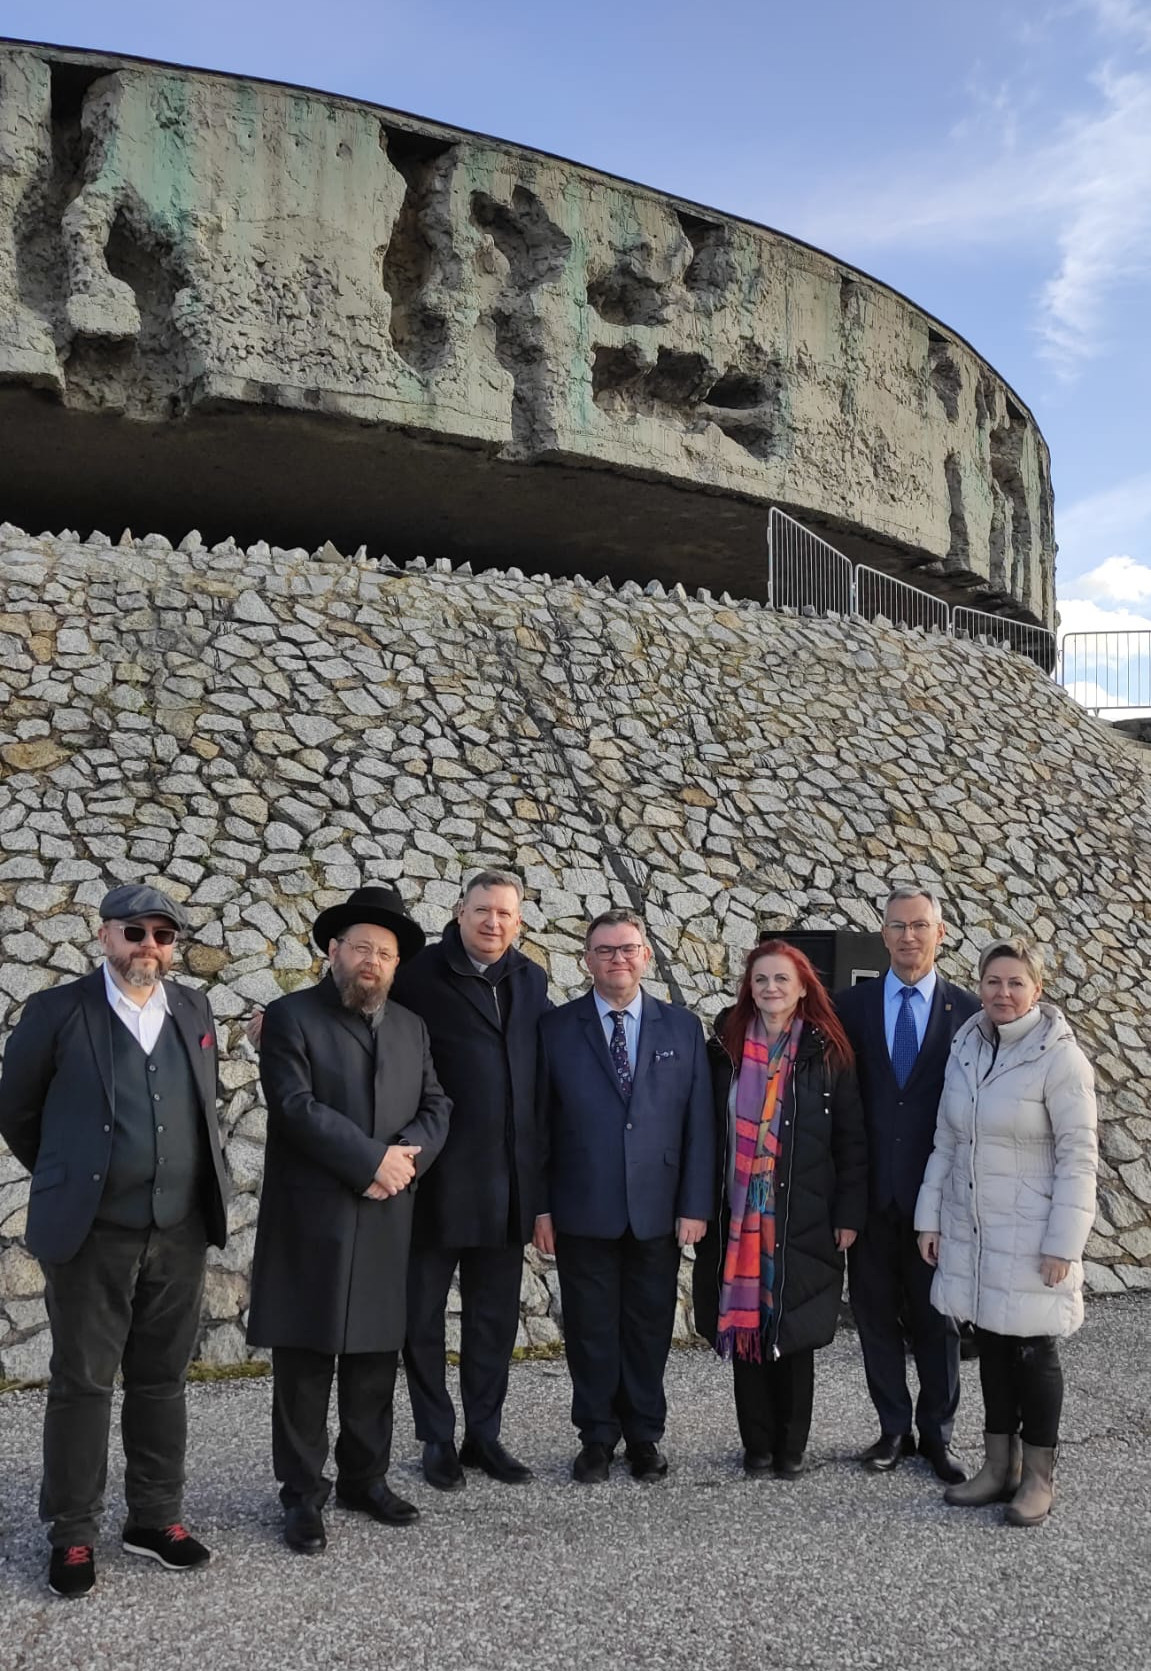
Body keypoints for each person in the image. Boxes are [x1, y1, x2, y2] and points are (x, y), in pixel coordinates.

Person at [0, 884, 229, 1599]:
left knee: (162, 1379)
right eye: (136, 931)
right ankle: (72, 1530)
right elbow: (18, 1110)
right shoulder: (57, 1011)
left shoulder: (192, 1008)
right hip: (94, 1229)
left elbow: (200, 1099)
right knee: (83, 1382)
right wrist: (73, 1176)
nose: (149, 947)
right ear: (104, 936)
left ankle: (154, 1517)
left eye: (164, 934)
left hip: (179, 1228)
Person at [247, 885, 451, 1553]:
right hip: (313, 1218)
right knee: (304, 1364)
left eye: (385, 953)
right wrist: (372, 1161)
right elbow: (294, 1106)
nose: (372, 960)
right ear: (333, 950)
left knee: (372, 1358)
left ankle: (365, 1477)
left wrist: (405, 1162)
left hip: (388, 1216)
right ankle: (302, 1494)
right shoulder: (289, 1016)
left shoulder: (409, 1026)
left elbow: (435, 1103)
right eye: (361, 946)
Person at [916, 938, 1097, 1525]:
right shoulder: (967, 1044)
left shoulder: (1059, 1058)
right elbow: (949, 1139)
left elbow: (1079, 1156)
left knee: (1035, 1349)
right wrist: (930, 1217)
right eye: (993, 982)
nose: (1002, 993)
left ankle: (1038, 1478)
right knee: (991, 1344)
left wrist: (1063, 1244)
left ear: (1037, 990)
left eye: (1016, 983)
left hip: (1034, 1231)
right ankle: (999, 1468)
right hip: (974, 1225)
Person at [533, 908, 713, 1484]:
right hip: (582, 1205)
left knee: (648, 1326)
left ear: (646, 956)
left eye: (628, 948)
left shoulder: (681, 1028)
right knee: (588, 1329)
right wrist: (540, 1206)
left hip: (658, 1210)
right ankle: (595, 1436)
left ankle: (644, 1435)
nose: (618, 959)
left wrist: (695, 1204)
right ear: (587, 959)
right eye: (605, 950)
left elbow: (699, 1124)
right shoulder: (556, 1028)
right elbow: (539, 1125)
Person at [392, 870, 550, 1491]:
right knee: (421, 1318)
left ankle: (484, 1433)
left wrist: (538, 1190)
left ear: (519, 922)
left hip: (506, 1182)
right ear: (458, 911)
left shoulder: (530, 979)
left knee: (493, 1319)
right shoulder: (417, 975)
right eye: (482, 910)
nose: (493, 922)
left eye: (505, 914)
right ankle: (436, 1436)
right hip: (432, 1179)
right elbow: (354, 1008)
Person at [693, 941, 867, 1477]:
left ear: (803, 986)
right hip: (736, 1213)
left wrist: (848, 1213)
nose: (771, 989)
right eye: (761, 979)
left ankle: (791, 1447)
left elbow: (851, 1140)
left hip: (804, 1212)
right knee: (746, 1329)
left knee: (794, 1332)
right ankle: (757, 1444)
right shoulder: (722, 1048)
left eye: (782, 980)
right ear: (749, 986)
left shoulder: (828, 1050)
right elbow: (702, 1133)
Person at [835, 886, 979, 1483]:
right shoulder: (851, 1007)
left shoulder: (968, 1012)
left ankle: (937, 1436)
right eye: (897, 926)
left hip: (938, 1200)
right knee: (873, 1318)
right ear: (883, 934)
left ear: (939, 934)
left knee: (938, 1321)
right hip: (868, 1196)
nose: (908, 937)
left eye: (920, 926)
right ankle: (892, 1428)